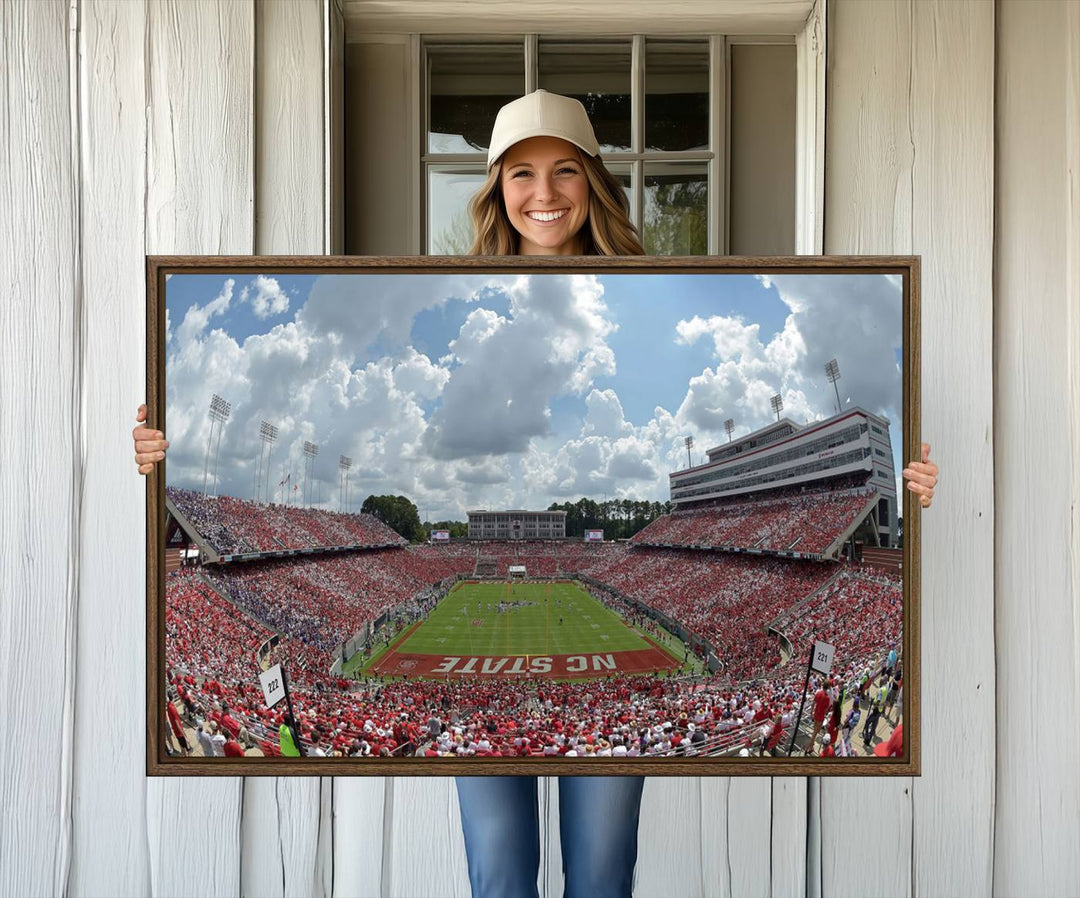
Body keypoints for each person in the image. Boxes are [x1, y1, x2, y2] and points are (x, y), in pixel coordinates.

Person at [132, 89, 940, 897]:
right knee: (500, 879)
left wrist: (898, 482)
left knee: (599, 879)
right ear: (496, 188)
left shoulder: (655, 292)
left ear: (593, 181)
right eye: (521, 173)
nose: (544, 193)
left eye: (564, 171)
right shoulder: (460, 294)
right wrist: (159, 453)